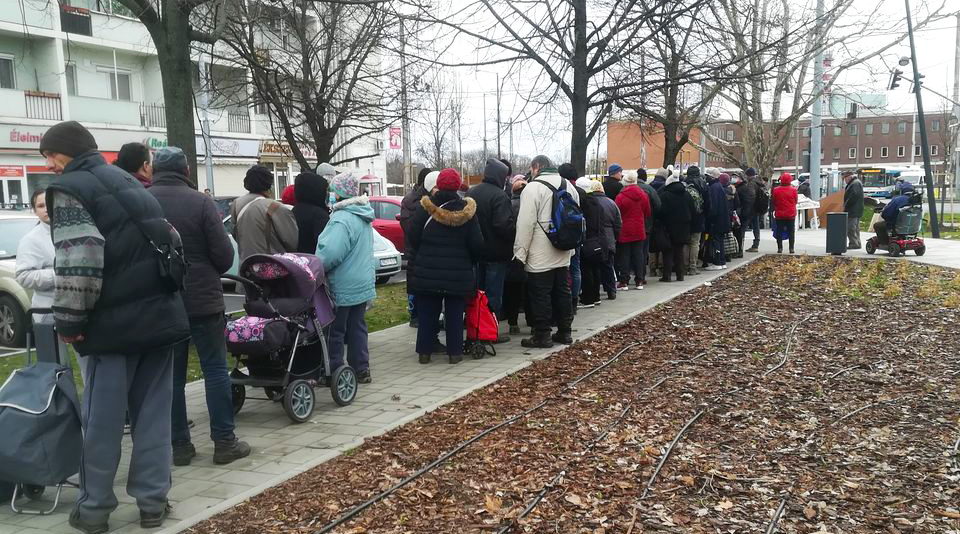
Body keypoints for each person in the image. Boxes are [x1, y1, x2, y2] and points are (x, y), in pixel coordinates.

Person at [40, 120, 189, 533]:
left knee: (102, 422)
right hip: (160, 319)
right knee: (154, 416)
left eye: (50, 155)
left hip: (111, 328)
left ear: (65, 153)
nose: (49, 165)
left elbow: (79, 261)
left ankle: (94, 510)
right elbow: (172, 239)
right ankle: (153, 504)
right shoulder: (128, 181)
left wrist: (69, 323)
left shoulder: (71, 190)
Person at [147, 147, 250, 467]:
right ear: (186, 171)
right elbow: (223, 255)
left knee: (172, 376)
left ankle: (179, 444)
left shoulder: (143, 201)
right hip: (203, 298)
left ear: (154, 170)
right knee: (215, 368)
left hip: (164, 301)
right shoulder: (201, 202)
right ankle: (224, 441)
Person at [407, 169, 482, 364]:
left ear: (437, 185)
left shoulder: (426, 208)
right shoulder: (467, 212)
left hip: (428, 270)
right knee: (455, 313)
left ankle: (424, 353)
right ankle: (454, 354)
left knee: (427, 313)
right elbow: (477, 244)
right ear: (458, 186)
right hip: (457, 272)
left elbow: (413, 236)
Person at [314, 173, 376, 383]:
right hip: (361, 282)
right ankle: (361, 368)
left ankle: (334, 370)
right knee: (358, 326)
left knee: (335, 330)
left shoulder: (341, 219)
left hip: (342, 284)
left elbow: (330, 253)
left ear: (338, 194)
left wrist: (316, 266)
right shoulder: (363, 215)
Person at [514, 155, 578, 348]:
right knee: (562, 291)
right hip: (564, 247)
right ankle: (565, 332)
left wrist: (520, 253)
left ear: (537, 167)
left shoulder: (533, 188)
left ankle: (542, 334)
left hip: (540, 250)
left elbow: (525, 223)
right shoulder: (569, 185)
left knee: (540, 293)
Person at [16, 188, 78, 381]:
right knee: (54, 371)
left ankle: (85, 409)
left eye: (49, 204)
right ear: (34, 210)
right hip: (47, 312)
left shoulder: (73, 229)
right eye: (41, 206)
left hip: (78, 309)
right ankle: (59, 409)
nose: (46, 210)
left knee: (88, 364)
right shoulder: (31, 240)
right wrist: (59, 275)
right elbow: (23, 276)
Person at [466, 158, 515, 336]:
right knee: (493, 296)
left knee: (477, 294)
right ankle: (489, 331)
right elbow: (503, 226)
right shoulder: (500, 196)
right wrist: (514, 231)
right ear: (501, 176)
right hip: (496, 253)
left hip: (476, 253)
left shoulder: (471, 192)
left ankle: (476, 328)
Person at [229, 165, 298, 260]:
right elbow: (292, 242)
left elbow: (235, 233)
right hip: (272, 268)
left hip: (245, 267)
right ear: (269, 183)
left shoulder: (236, 204)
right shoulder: (275, 207)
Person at [399, 168, 433, 328]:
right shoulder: (412, 200)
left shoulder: (411, 199)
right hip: (414, 248)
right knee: (413, 283)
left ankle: (419, 315)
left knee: (418, 283)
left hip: (416, 248)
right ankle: (415, 315)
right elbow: (408, 226)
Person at [614, 171, 651, 290]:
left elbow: (617, 214)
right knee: (639, 254)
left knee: (624, 255)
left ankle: (624, 281)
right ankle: (639, 280)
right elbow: (647, 212)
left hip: (625, 229)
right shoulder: (643, 195)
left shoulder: (620, 196)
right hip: (639, 228)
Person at [656, 172, 694, 282]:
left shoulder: (664, 195)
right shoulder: (686, 194)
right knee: (679, 252)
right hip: (683, 227)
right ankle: (680, 275)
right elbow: (692, 209)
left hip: (668, 227)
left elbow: (660, 212)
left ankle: (667, 276)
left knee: (667, 252)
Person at [503, 177, 528, 335]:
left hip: (511, 252)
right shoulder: (529, 207)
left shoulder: (508, 206)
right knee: (528, 287)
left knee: (511, 288)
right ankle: (531, 320)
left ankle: (512, 322)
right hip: (528, 251)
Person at [574, 175, 603, 307]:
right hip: (597, 239)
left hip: (587, 239)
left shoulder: (583, 203)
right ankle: (596, 296)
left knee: (586, 270)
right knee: (595, 269)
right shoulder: (596, 202)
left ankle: (587, 298)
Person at [591, 179, 621, 300]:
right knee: (608, 265)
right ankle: (611, 290)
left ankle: (595, 293)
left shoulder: (590, 203)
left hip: (594, 238)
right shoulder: (611, 203)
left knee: (594, 266)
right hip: (609, 237)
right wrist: (615, 236)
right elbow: (618, 223)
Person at [292, 171, 330, 254]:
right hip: (313, 263)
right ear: (317, 190)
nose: (327, 193)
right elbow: (326, 247)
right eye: (325, 190)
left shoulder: (293, 211)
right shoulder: (319, 215)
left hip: (294, 262)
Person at [683, 166, 709, 275]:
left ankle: (684, 266)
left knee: (685, 243)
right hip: (698, 217)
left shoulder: (684, 184)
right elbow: (708, 202)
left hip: (685, 218)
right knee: (695, 243)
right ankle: (692, 267)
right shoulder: (703, 184)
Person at [704, 172, 732, 270]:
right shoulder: (719, 187)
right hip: (723, 219)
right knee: (720, 241)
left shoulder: (713, 188)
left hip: (716, 220)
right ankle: (721, 261)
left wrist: (710, 218)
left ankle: (717, 262)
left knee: (716, 240)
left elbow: (713, 206)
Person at [771, 172, 798, 253]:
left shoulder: (776, 190)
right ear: (790, 180)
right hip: (790, 214)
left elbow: (774, 201)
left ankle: (780, 248)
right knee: (791, 231)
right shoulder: (793, 190)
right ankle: (791, 248)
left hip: (780, 214)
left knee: (779, 230)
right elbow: (796, 201)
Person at [739, 167, 762, 253]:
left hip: (750, 209)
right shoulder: (759, 182)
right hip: (757, 209)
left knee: (743, 228)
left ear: (748, 175)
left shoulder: (751, 184)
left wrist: (747, 207)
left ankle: (740, 247)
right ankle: (756, 244)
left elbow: (750, 197)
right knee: (756, 227)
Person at [843, 170, 864, 249]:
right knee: (855, 228)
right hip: (855, 209)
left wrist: (846, 205)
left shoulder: (855, 184)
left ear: (849, 177)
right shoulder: (855, 183)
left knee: (851, 228)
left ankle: (854, 243)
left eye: (845, 178)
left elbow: (853, 196)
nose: (845, 180)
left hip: (853, 210)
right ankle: (857, 243)